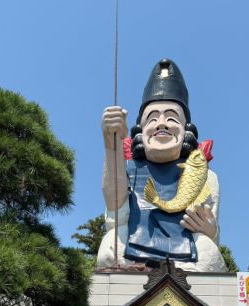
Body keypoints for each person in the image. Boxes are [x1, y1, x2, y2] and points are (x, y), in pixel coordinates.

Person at [96, 59, 226, 272]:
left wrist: (211, 231)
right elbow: (115, 213)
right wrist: (112, 146)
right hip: (134, 240)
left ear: (186, 131)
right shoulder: (127, 168)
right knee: (109, 249)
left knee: (210, 255)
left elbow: (206, 223)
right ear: (140, 130)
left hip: (186, 248)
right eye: (152, 118)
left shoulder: (204, 174)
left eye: (172, 118)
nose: (162, 124)